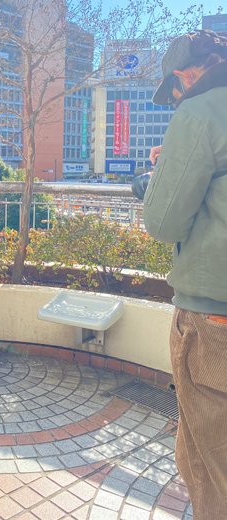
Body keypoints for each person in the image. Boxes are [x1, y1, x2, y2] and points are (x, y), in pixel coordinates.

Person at [143, 29, 227, 520]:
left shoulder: (199, 111)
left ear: (184, 76)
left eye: (173, 92)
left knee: (209, 465)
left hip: (213, 317)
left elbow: (163, 221)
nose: (175, 101)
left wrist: (161, 175)